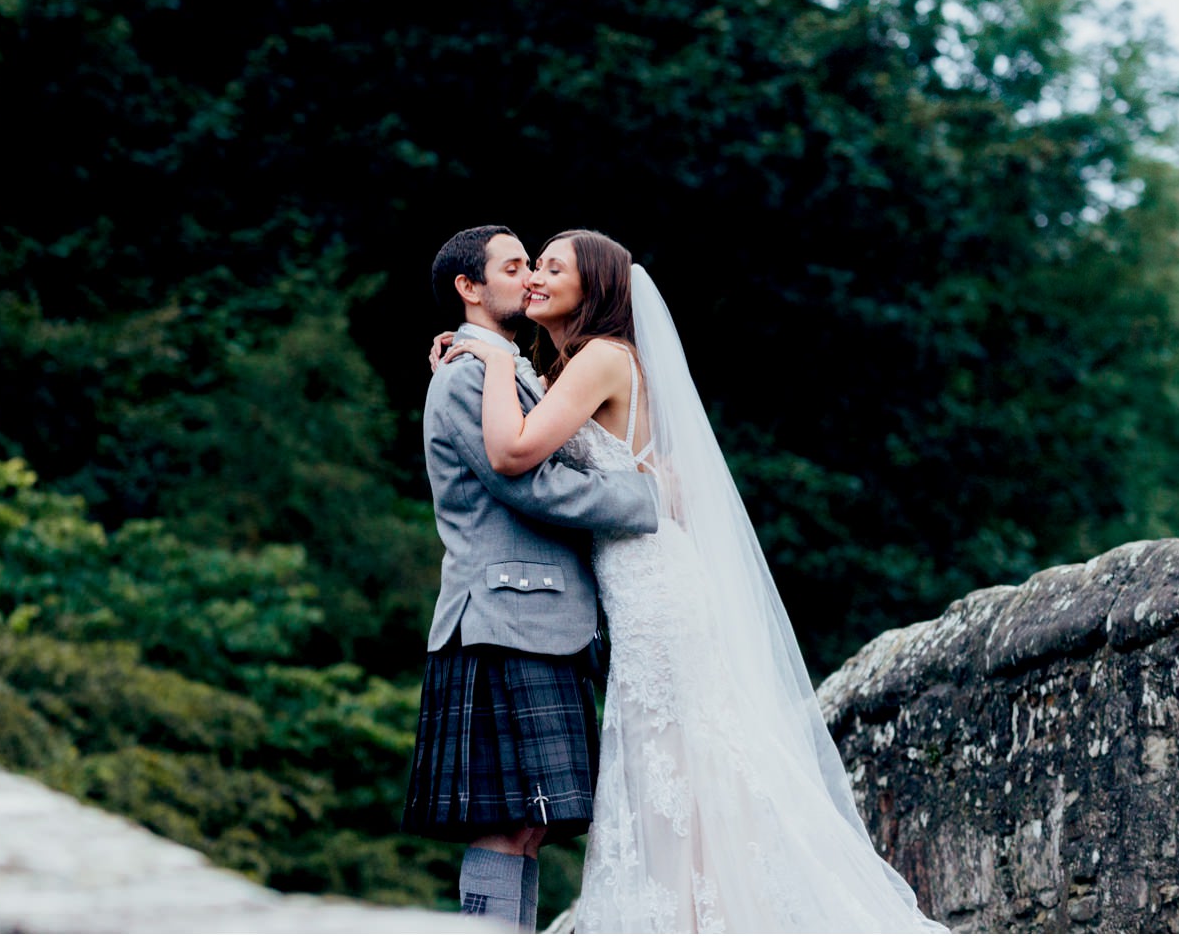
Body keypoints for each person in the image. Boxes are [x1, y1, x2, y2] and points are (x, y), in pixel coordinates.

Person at [438, 229, 945, 933]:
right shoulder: (565, 371)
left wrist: (488, 357)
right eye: (530, 266)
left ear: (597, 288)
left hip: (654, 592)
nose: (536, 279)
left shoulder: (599, 360)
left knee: (680, 763)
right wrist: (493, 361)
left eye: (554, 268)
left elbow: (517, 449)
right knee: (674, 768)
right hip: (633, 586)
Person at [403, 225, 662, 932]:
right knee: (504, 820)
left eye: (537, 266)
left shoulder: (504, 365)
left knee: (529, 825)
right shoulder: (467, 372)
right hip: (503, 618)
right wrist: (649, 500)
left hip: (538, 618)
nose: (529, 278)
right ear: (470, 288)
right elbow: (530, 486)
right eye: (513, 267)